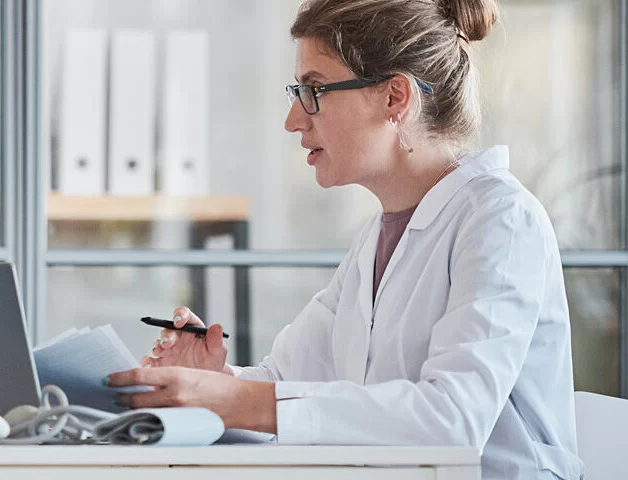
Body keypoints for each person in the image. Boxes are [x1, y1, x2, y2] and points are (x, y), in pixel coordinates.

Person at [107, 0, 582, 477]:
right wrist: (215, 381)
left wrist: (240, 400)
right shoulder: (377, 237)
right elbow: (283, 385)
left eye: (314, 89)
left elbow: (453, 420)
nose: (294, 118)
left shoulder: (500, 219)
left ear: (395, 98)